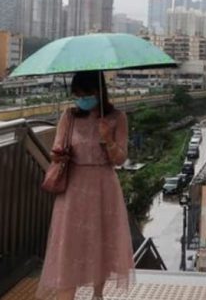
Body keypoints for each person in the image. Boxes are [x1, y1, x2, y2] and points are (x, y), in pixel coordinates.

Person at [37, 71, 134, 300]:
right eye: (78, 95)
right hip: (73, 187)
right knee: (70, 242)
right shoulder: (68, 117)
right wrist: (59, 154)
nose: (82, 99)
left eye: (87, 94)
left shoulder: (117, 118)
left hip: (103, 185)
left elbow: (120, 159)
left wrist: (107, 139)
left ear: (100, 92)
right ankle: (66, 292)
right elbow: (57, 149)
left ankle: (97, 294)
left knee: (101, 238)